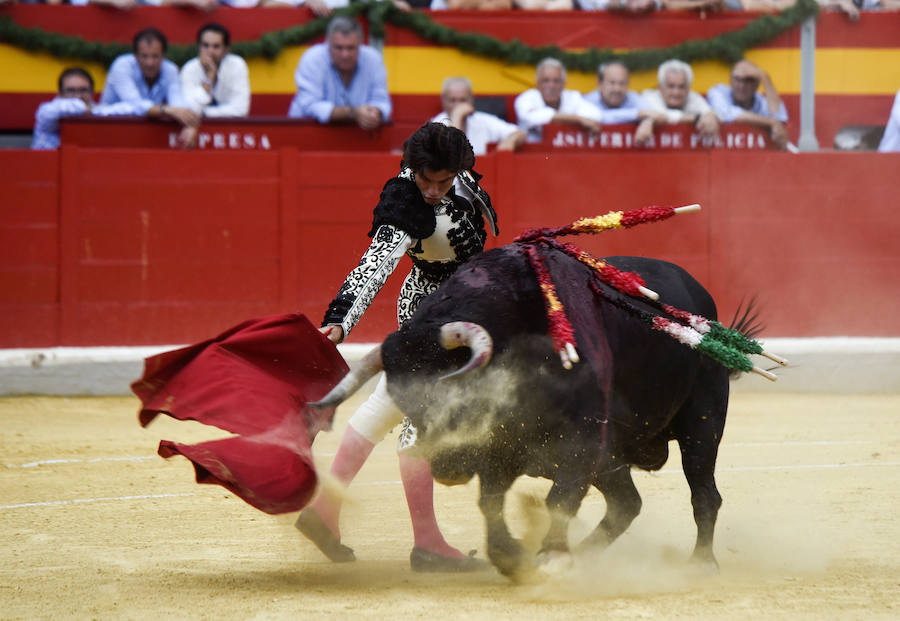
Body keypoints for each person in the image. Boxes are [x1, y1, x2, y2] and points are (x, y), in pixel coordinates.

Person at [296, 122, 497, 573]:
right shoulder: (405, 199)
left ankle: (326, 512)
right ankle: (426, 542)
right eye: (425, 179)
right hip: (433, 315)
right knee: (417, 418)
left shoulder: (456, 175)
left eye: (442, 182)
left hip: (462, 304)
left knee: (388, 402)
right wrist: (340, 318)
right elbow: (375, 263)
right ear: (412, 169)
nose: (431, 190)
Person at [100, 27, 199, 147]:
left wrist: (189, 125)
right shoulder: (121, 66)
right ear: (135, 56)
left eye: (155, 56)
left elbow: (178, 103)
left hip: (147, 135)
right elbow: (135, 105)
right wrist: (166, 109)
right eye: (144, 56)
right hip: (109, 131)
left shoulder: (170, 69)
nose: (150, 63)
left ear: (163, 56)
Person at [287, 16, 392, 130]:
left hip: (358, 137)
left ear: (360, 45)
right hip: (306, 133)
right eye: (338, 48)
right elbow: (309, 105)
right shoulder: (312, 58)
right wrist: (353, 113)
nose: (345, 55)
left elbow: (381, 101)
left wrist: (374, 113)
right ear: (327, 44)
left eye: (351, 48)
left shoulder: (373, 58)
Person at [31, 67, 142, 150]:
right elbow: (48, 112)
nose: (78, 96)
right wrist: (85, 108)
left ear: (92, 93)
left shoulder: (97, 110)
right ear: (59, 94)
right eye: (71, 90)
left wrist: (92, 110)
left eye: (83, 90)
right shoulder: (48, 111)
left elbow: (131, 107)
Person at [514, 57, 604, 143]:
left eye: (556, 81)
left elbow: (595, 115)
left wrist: (579, 120)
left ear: (564, 84)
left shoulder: (572, 97)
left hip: (565, 153)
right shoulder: (526, 98)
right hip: (532, 154)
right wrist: (577, 119)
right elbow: (531, 117)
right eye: (546, 80)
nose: (551, 86)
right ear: (537, 84)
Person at [707, 59, 789, 149]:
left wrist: (765, 77)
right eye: (737, 79)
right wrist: (770, 122)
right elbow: (726, 113)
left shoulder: (761, 101)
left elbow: (780, 118)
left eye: (748, 80)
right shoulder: (718, 91)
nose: (742, 85)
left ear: (757, 84)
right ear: (730, 80)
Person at [431, 77, 525, 155]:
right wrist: (457, 116)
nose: (458, 105)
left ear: (471, 99)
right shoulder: (436, 124)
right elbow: (451, 153)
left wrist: (511, 140)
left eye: (463, 100)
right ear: (443, 101)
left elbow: (520, 133)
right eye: (453, 100)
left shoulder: (482, 120)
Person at [583, 61, 667, 145]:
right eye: (612, 83)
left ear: (628, 85)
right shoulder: (589, 100)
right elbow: (600, 116)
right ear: (599, 84)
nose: (617, 89)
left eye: (622, 83)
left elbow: (657, 115)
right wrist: (637, 114)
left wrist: (648, 122)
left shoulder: (633, 98)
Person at [180, 23, 251, 118]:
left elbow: (241, 109)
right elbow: (189, 109)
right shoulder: (189, 68)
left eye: (216, 46)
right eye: (205, 45)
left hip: (230, 128)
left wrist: (204, 112)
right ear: (199, 47)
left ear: (226, 49)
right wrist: (209, 79)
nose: (210, 51)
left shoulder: (237, 65)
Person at [642, 58, 720, 141]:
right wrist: (696, 118)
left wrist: (712, 117)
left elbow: (709, 113)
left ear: (688, 88)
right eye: (671, 86)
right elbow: (661, 115)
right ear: (660, 87)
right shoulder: (648, 97)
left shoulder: (693, 97)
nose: (676, 92)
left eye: (681, 87)